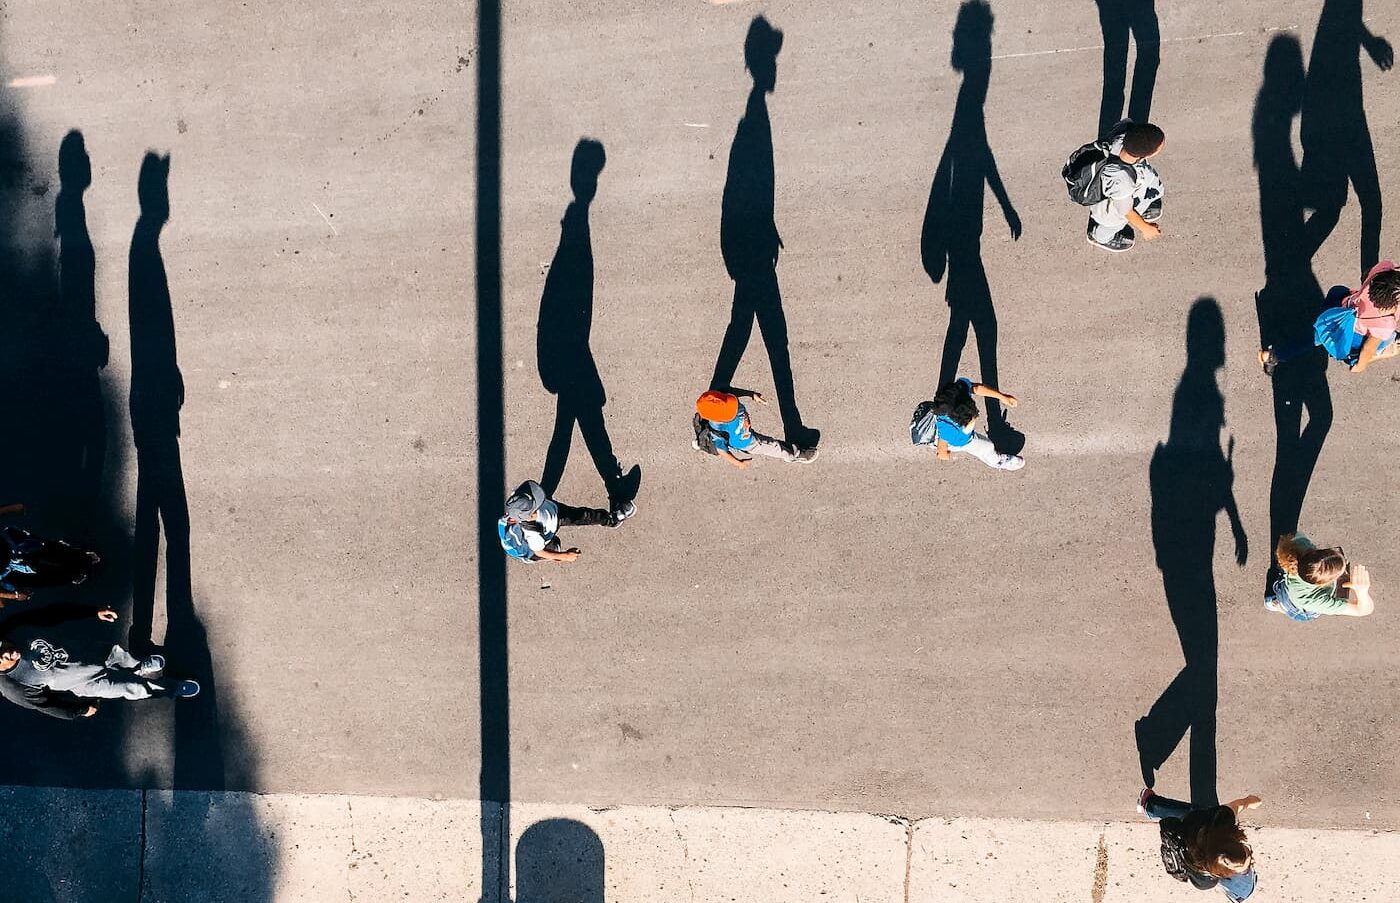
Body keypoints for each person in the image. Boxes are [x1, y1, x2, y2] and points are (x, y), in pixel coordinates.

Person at [0, 602, 199, 719]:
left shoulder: (14, 626)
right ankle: (171, 688)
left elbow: (52, 613)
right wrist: (79, 710)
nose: (7, 652)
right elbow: (46, 705)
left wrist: (92, 611)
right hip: (88, 684)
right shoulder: (12, 685)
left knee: (121, 656)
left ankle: (139, 666)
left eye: (1, 645)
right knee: (133, 688)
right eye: (1, 658)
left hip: (92, 651)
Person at [1258, 260, 1399, 374]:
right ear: (1391, 306)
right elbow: (1368, 348)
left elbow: (1365, 274)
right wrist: (1360, 366)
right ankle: (1275, 356)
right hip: (1346, 328)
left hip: (1342, 304)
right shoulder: (1385, 323)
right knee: (1317, 337)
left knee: (1320, 325)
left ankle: (1274, 355)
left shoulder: (1383, 269)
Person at [1137, 788, 1260, 902]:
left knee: (1195, 811)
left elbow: (1236, 806)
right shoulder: (1205, 881)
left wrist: (1248, 801)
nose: (1251, 860)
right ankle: (1150, 807)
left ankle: (1150, 805)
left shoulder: (1220, 820)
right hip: (1183, 843)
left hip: (1192, 825)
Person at [497, 479, 634, 564]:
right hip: (552, 522)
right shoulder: (532, 534)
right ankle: (612, 519)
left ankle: (609, 520)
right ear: (530, 513)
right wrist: (564, 556)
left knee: (582, 514)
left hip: (554, 510)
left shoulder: (518, 500)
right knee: (557, 544)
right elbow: (539, 551)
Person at [1087, 121, 1166, 252]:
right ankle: (1099, 237)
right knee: (1112, 225)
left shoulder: (1122, 136)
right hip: (1113, 213)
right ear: (1147, 155)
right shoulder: (1120, 180)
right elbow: (1126, 211)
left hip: (1135, 189)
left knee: (1146, 195)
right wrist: (1146, 229)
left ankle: (1144, 206)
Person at [0, 502, 100, 604]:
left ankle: (79, 557)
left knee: (45, 548)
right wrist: (14, 595)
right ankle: (71, 573)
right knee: (39, 573)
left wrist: (10, 509)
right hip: (12, 564)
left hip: (15, 544)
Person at [695, 389, 817, 469]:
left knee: (769, 443)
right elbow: (721, 450)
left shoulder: (724, 399)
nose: (735, 405)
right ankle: (795, 455)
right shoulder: (718, 427)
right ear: (719, 419)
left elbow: (731, 392)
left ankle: (700, 443)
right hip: (747, 442)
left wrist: (751, 394)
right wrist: (739, 463)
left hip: (745, 432)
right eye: (730, 412)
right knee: (772, 446)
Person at [1265, 532, 1374, 618]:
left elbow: (1297, 536)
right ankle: (1274, 604)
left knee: (1283, 590)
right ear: (1323, 583)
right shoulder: (1316, 602)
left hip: (1291, 586)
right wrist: (1362, 592)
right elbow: (1362, 610)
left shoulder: (1300, 546)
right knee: (1293, 609)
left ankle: (1276, 601)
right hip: (1297, 604)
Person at [928, 378, 1024, 470]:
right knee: (987, 448)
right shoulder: (949, 432)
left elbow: (977, 388)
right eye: (972, 418)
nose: (974, 417)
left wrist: (1002, 397)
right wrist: (946, 456)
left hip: (950, 428)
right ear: (960, 423)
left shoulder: (958, 391)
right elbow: (942, 452)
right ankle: (998, 461)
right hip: (960, 442)